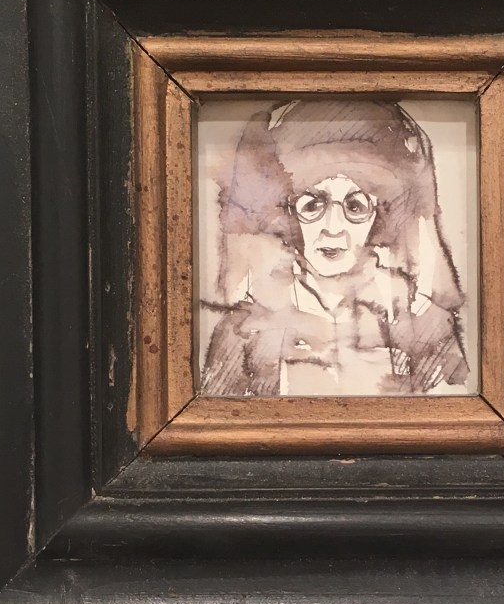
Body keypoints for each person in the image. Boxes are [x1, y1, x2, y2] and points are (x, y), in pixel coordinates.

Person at [200, 98, 468, 396]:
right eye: (313, 205)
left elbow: (459, 412)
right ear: (287, 212)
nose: (333, 227)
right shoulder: (244, 330)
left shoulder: (422, 321)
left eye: (355, 206)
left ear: (381, 214)